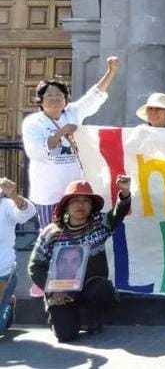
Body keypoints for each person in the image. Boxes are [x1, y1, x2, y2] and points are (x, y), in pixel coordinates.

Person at [28, 176, 131, 342]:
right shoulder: (51, 232)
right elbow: (35, 266)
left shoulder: (100, 224)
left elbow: (119, 213)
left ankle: (92, 317)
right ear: (66, 206)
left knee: (103, 288)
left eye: (86, 201)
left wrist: (124, 193)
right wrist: (52, 291)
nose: (81, 205)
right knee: (65, 336)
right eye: (75, 201)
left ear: (92, 207)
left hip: (91, 287)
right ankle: (60, 316)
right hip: (61, 290)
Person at [21, 56, 120, 230]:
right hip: (47, 193)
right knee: (51, 236)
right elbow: (36, 153)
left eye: (59, 95)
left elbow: (93, 96)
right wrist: (62, 132)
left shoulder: (72, 113)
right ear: (40, 101)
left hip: (75, 192)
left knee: (76, 235)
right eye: (49, 95)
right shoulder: (33, 122)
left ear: (66, 100)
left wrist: (111, 72)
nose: (54, 98)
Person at [0, 178, 36, 334]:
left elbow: (28, 213)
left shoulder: (6, 206)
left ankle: (8, 305)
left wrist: (13, 195)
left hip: (3, 273)